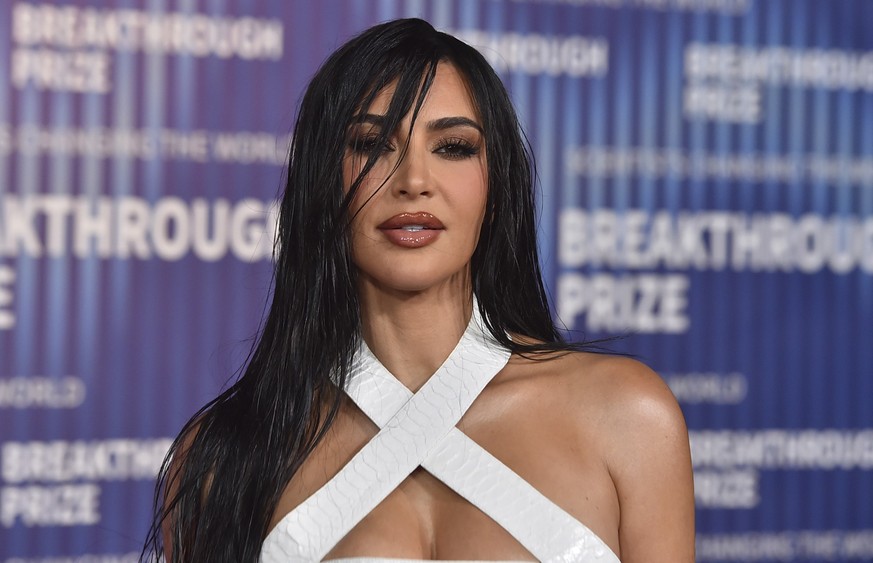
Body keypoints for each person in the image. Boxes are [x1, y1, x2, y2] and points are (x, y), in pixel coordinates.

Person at [145, 17, 694, 563]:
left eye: (453, 147)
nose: (413, 179)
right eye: (372, 143)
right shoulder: (221, 459)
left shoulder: (627, 414)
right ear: (320, 184)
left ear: (495, 188)